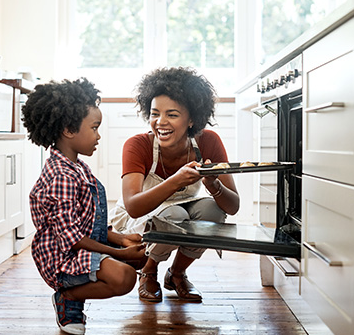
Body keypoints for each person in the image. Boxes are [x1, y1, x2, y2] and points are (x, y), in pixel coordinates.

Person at [22, 78, 147, 335]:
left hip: (80, 246)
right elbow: (71, 238)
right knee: (125, 278)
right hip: (62, 259)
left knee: (142, 257)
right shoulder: (61, 176)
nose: (98, 135)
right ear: (69, 129)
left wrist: (121, 239)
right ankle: (68, 299)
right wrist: (120, 254)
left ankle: (78, 291)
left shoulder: (77, 167)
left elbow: (87, 222)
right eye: (94, 127)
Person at [109, 67, 240, 303]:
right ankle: (148, 270)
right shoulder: (137, 145)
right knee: (173, 213)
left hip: (186, 205)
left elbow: (232, 206)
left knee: (212, 210)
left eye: (172, 114)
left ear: (192, 119)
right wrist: (176, 180)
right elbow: (133, 207)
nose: (160, 122)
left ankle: (177, 274)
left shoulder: (208, 141)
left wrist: (213, 184)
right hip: (142, 214)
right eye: (154, 113)